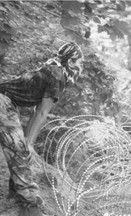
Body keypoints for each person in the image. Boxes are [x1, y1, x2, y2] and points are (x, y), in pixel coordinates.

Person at [0, 42, 84, 216]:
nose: (79, 67)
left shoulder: (53, 69)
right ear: (70, 61)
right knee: (19, 149)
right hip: (3, 102)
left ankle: (16, 192)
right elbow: (42, 112)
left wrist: (28, 141)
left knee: (20, 147)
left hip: (7, 102)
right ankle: (30, 205)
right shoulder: (57, 76)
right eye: (78, 63)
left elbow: (37, 111)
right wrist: (28, 143)